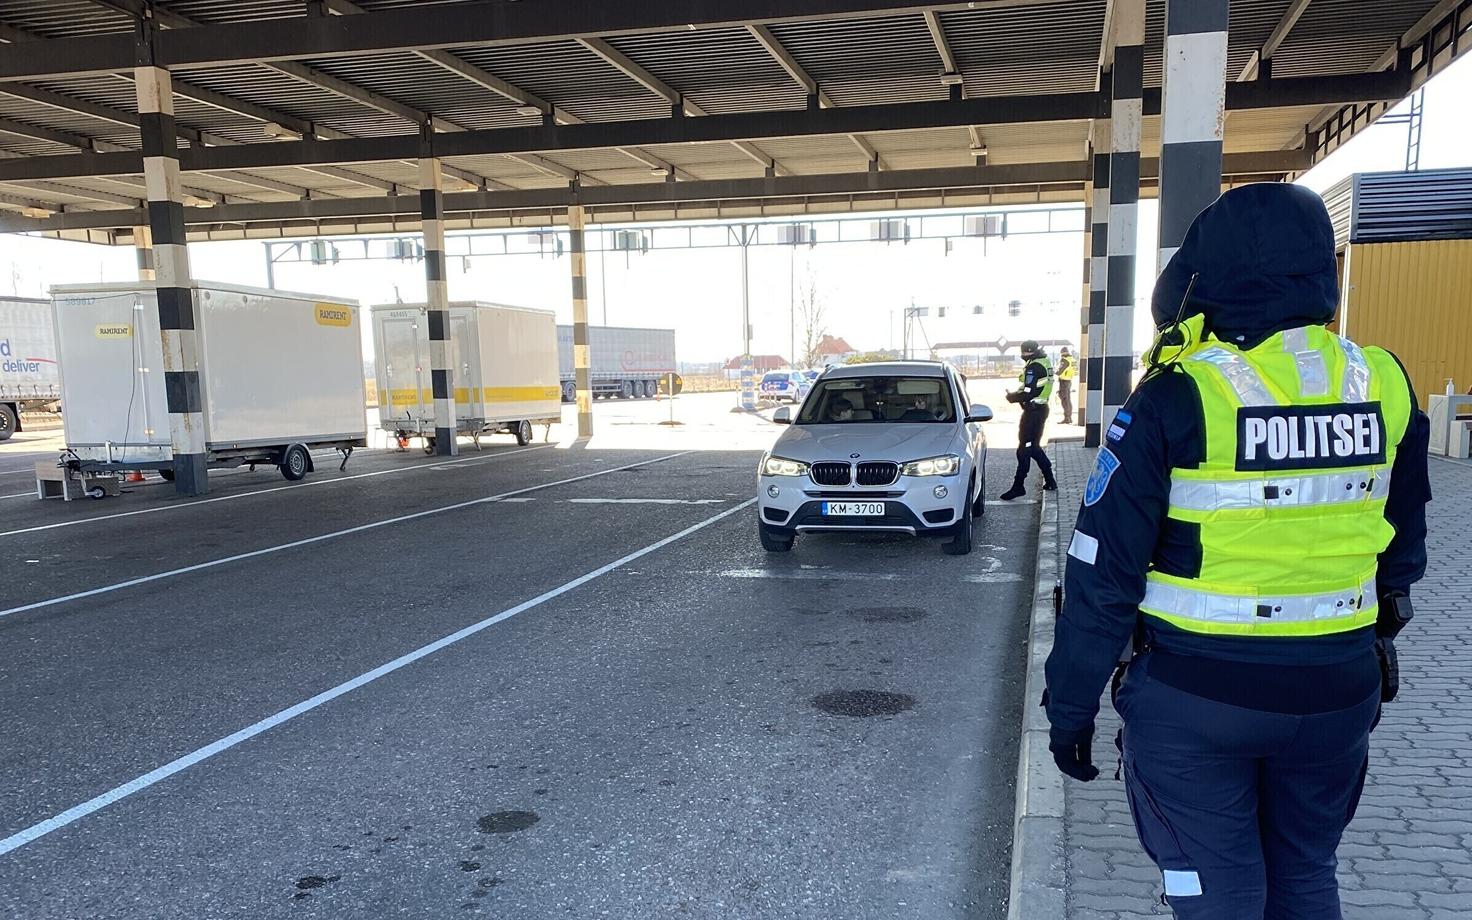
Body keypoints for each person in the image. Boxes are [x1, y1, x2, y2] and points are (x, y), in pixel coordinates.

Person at [1042, 183, 1431, 919]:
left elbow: (1101, 579)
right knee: (1307, 877)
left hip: (1198, 700)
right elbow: (1403, 547)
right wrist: (1373, 638)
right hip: (1338, 693)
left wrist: (1070, 710)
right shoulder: (1383, 382)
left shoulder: (1177, 397)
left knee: (1219, 895)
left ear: (1204, 271)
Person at [1000, 340, 1057, 500]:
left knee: (1024, 448)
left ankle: (1018, 486)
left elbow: (1029, 391)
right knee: (1033, 447)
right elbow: (1031, 388)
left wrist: (1012, 397)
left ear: (1027, 352)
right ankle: (1050, 479)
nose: (1022, 355)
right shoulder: (1043, 361)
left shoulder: (1034, 366)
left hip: (1033, 412)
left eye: (1023, 352)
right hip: (1039, 409)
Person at [1057, 346, 1076, 423]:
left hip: (1063, 381)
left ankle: (1067, 418)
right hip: (1069, 380)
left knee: (1064, 400)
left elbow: (1060, 371)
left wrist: (1056, 372)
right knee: (1068, 399)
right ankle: (1069, 417)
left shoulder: (1065, 360)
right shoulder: (1072, 360)